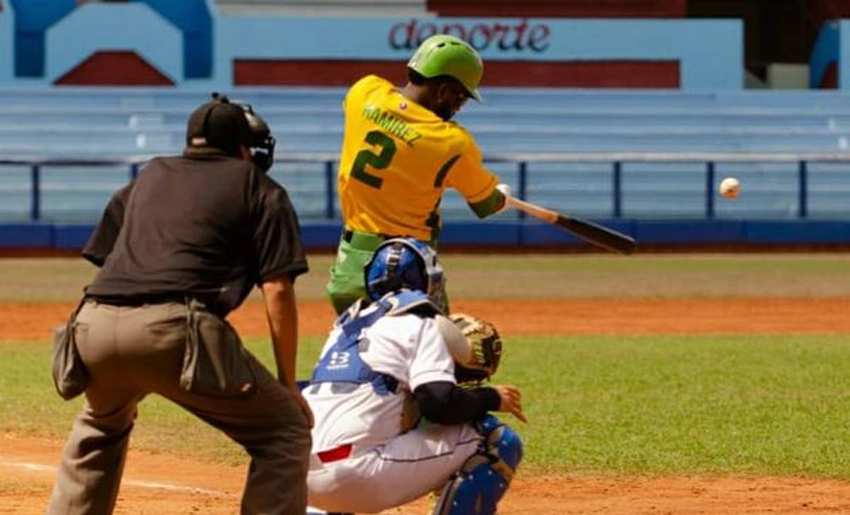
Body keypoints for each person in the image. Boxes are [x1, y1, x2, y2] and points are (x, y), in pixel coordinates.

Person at [47, 93, 312, 515]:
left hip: (91, 326)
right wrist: (286, 384)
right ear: (244, 149)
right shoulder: (257, 184)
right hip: (171, 332)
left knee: (100, 424)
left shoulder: (149, 175)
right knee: (285, 431)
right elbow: (277, 289)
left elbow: (107, 256)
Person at [305, 237, 525, 514]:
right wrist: (490, 397)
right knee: (494, 439)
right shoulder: (417, 321)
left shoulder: (344, 327)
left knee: (386, 415)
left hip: (301, 478)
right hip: (355, 478)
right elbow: (439, 403)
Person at [326, 34, 512, 314]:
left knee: (356, 353)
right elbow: (485, 204)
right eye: (461, 96)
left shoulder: (364, 92)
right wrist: (501, 198)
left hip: (349, 268)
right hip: (407, 269)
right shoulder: (451, 142)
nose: (461, 105)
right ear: (443, 90)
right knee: (438, 354)